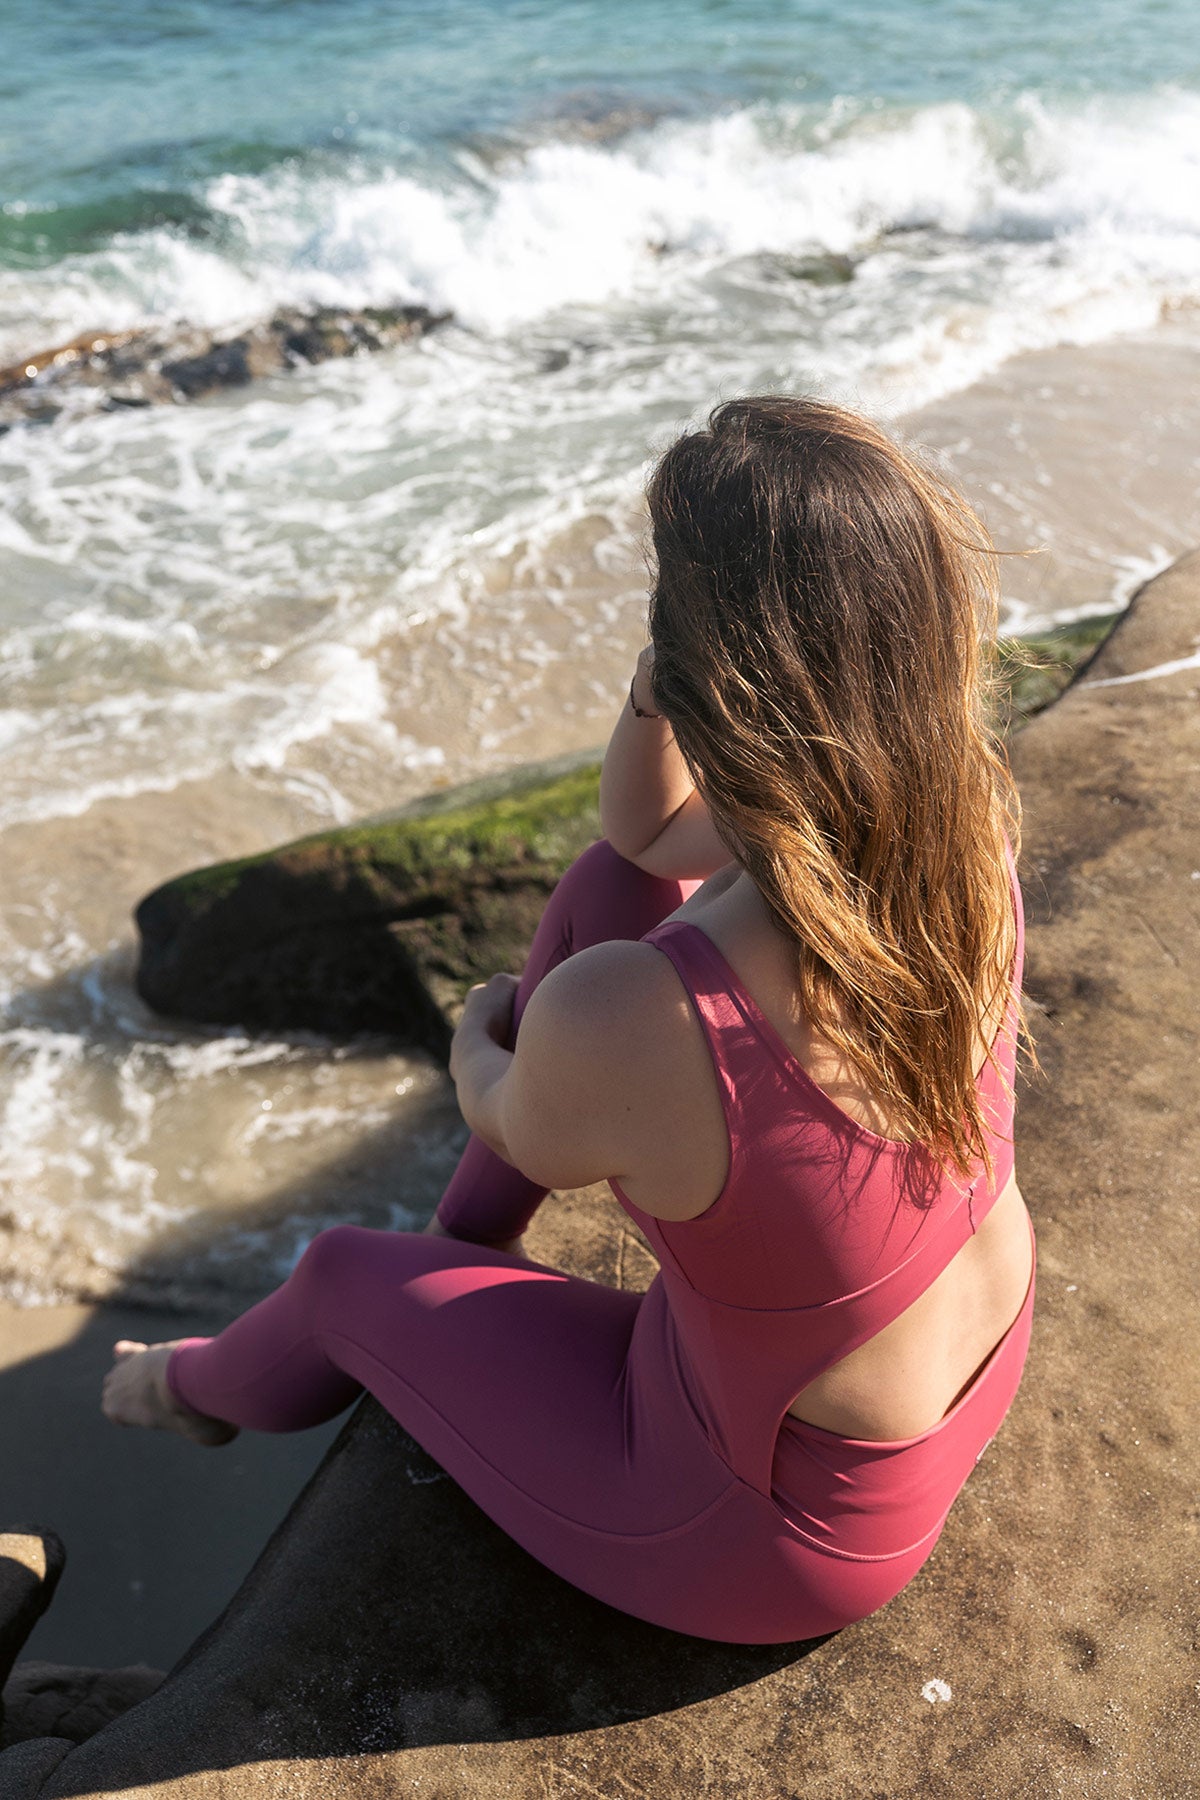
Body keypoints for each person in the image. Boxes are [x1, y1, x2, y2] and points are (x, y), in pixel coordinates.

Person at [102, 396, 1036, 1646]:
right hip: (953, 1371)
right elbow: (639, 840)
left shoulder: (643, 1010)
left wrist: (474, 1051)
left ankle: (182, 1390)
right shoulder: (954, 810)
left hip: (772, 1520)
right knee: (608, 892)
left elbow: (518, 1121)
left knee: (337, 1279)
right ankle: (458, 1250)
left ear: (726, 675)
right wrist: (667, 684)